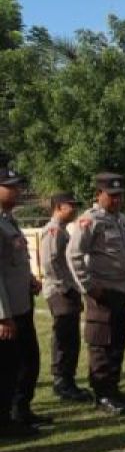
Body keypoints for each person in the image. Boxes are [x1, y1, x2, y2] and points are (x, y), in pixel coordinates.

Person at [66, 173, 125, 416]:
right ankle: (102, 394)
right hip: (102, 292)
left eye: (120, 195)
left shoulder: (122, 220)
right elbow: (74, 255)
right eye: (112, 195)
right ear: (99, 195)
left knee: (119, 341)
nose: (117, 200)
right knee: (101, 343)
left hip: (121, 292)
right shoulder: (90, 220)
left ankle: (114, 389)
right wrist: (88, 286)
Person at [1, 166, 46, 438]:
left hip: (22, 304)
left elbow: (13, 262)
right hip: (8, 312)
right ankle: (6, 420)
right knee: (7, 367)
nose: (17, 191)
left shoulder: (9, 220)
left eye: (18, 186)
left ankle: (21, 410)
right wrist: (3, 316)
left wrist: (29, 278)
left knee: (27, 360)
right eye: (11, 186)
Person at [39, 193, 90, 404]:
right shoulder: (53, 231)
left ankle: (67, 380)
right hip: (60, 292)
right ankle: (62, 382)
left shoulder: (61, 230)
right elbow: (50, 262)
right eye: (71, 205)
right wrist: (66, 287)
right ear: (59, 207)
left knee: (71, 337)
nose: (75, 209)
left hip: (66, 290)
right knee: (64, 336)